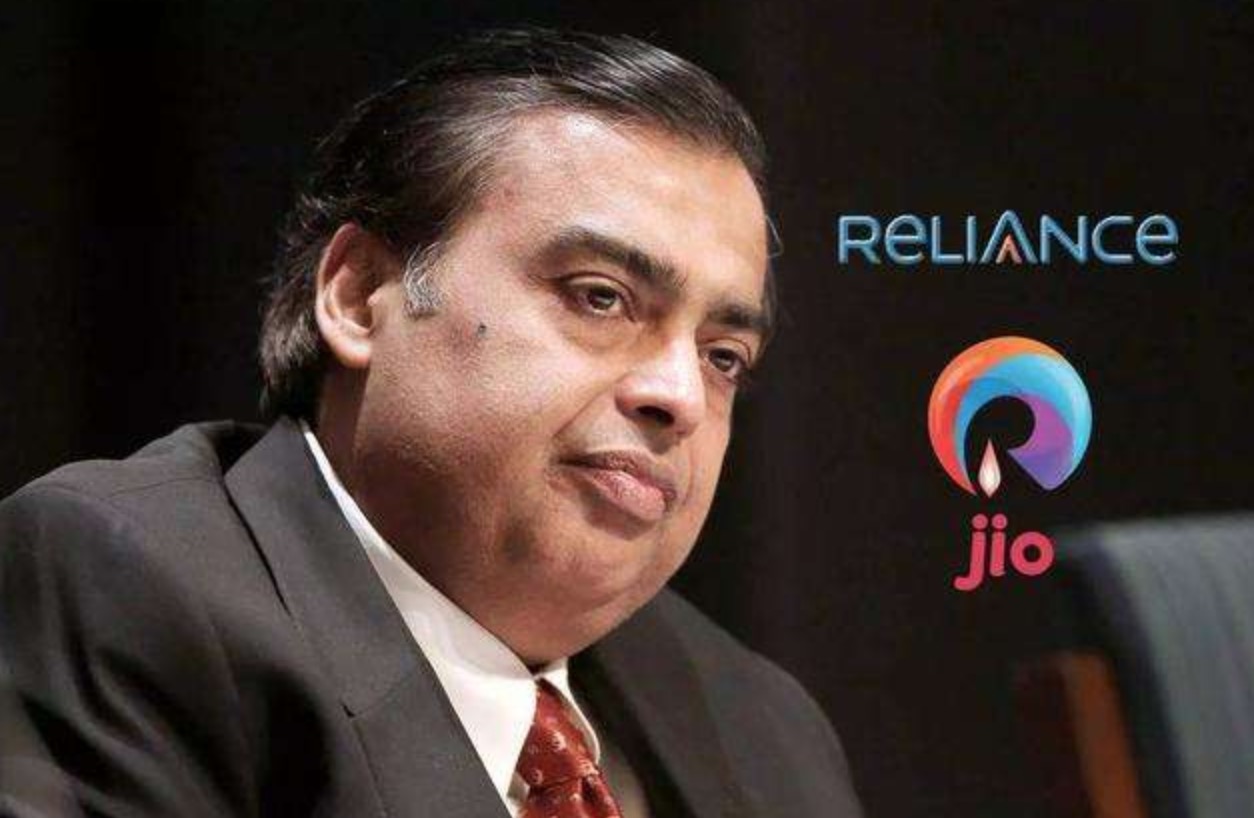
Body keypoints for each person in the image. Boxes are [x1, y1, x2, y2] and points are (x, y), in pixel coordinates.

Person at [0, 28, 863, 818]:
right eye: (600, 297)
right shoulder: (130, 588)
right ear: (359, 295)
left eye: (723, 356)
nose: (679, 395)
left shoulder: (764, 728)